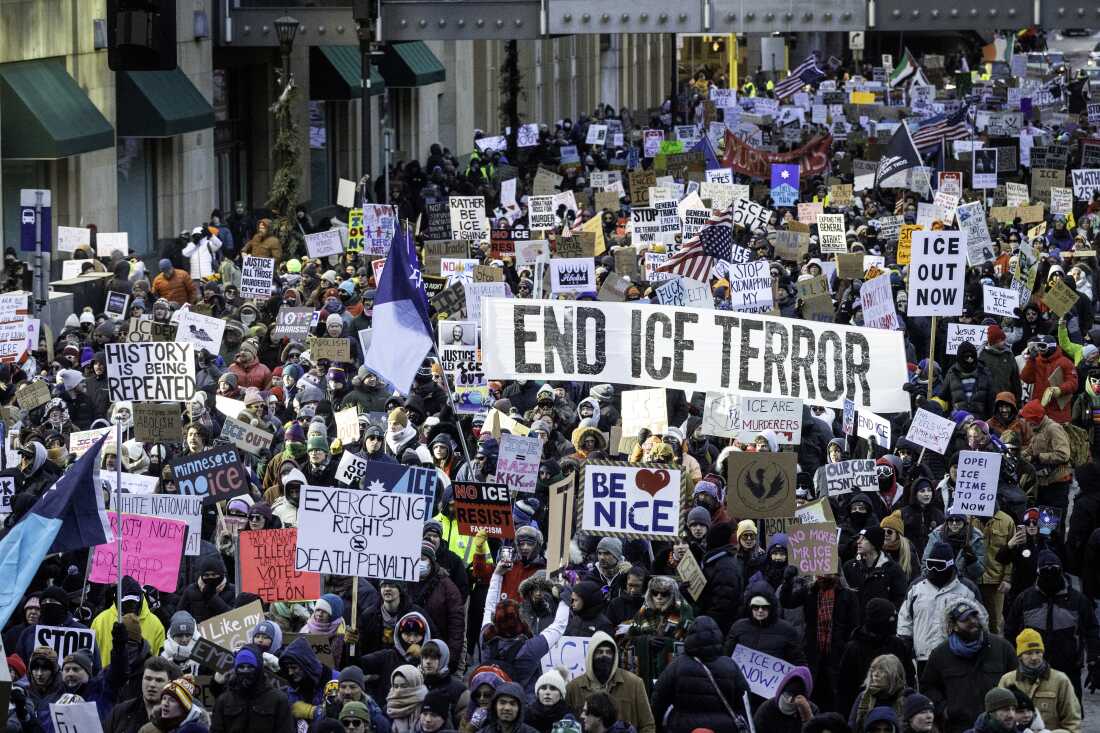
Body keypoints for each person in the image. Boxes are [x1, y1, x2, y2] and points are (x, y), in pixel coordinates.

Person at [1003, 550, 1099, 702]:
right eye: (1045, 570)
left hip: (1069, 669)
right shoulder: (1025, 599)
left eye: (1054, 569)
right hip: (1031, 669)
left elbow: (1092, 629)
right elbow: (1010, 630)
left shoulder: (1078, 600)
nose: (1049, 574)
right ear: (1038, 573)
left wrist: (1094, 660)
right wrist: (1013, 661)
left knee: (1070, 711)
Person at [920, 600, 1016, 733]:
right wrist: (945, 710)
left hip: (998, 726)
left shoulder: (1002, 648)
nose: (973, 621)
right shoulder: (940, 654)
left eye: (974, 616)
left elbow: (1017, 681)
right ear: (954, 626)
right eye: (965, 619)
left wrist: (1009, 710)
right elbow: (928, 687)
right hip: (957, 727)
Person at [651, 616, 752, 733]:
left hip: (684, 726)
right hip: (724, 727)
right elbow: (745, 701)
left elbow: (659, 699)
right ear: (717, 637)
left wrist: (658, 727)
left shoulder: (677, 665)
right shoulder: (730, 665)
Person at [564, 633, 654, 733]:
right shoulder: (573, 688)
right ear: (591, 655)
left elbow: (647, 725)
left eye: (609, 652)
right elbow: (566, 725)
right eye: (599, 652)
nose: (604, 656)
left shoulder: (634, 684)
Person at [997, 629, 1081, 733]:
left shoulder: (1060, 680)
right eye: (1028, 653)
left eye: (1038, 652)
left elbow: (1072, 722)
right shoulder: (1007, 680)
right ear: (1020, 656)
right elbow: (998, 717)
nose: (1034, 657)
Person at [210, 645, 295, 733]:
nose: (245, 670)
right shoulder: (224, 700)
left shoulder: (279, 700)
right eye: (241, 667)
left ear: (258, 669)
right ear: (236, 669)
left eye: (250, 667)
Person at [752, 667, 817, 733]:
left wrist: (807, 717)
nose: (789, 700)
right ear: (781, 690)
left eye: (795, 697)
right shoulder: (766, 709)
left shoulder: (812, 710)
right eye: (788, 694)